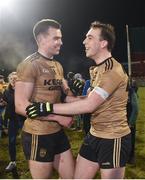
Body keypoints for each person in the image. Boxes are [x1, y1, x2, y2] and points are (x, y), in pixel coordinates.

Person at [26, 21, 132, 179]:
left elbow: (89, 105)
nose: (84, 42)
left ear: (103, 43)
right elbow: (90, 99)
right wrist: (69, 96)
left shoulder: (112, 71)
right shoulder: (97, 68)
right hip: (94, 135)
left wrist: (47, 107)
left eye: (89, 38)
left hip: (113, 138)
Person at [15, 19, 75, 179]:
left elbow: (63, 96)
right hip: (38, 134)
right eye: (56, 38)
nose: (61, 42)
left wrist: (73, 92)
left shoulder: (58, 65)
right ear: (41, 39)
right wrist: (57, 117)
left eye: (61, 38)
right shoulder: (29, 65)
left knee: (72, 176)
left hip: (57, 132)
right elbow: (21, 105)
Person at [2, 72, 25, 172]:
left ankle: (34, 160)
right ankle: (13, 162)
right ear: (9, 80)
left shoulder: (24, 90)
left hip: (23, 118)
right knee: (11, 141)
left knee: (28, 140)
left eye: (15, 79)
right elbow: (5, 102)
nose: (13, 81)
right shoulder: (6, 91)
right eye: (11, 79)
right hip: (12, 119)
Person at [127, 79, 139, 164]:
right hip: (122, 121)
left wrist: (131, 122)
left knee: (131, 139)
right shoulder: (119, 91)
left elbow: (136, 109)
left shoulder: (131, 92)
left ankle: (131, 156)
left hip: (129, 121)